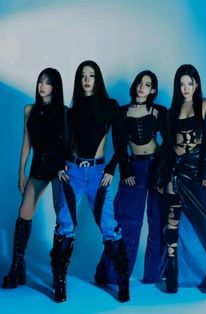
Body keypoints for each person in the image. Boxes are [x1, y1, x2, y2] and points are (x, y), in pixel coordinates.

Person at [52, 60, 130, 303]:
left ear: (98, 79)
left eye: (92, 75)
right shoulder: (72, 111)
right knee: (65, 223)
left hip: (98, 173)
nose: (87, 80)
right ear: (79, 80)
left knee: (108, 224)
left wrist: (111, 168)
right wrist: (60, 164)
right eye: (83, 76)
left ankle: (123, 281)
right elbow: (64, 142)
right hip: (74, 171)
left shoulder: (110, 106)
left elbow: (121, 141)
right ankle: (60, 282)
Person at [156, 64, 206, 294]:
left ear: (196, 84)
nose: (185, 88)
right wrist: (161, 175)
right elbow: (168, 147)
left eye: (190, 83)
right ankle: (173, 272)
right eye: (181, 84)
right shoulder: (173, 111)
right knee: (172, 218)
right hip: (175, 170)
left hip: (197, 171)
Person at [95, 70, 167, 285]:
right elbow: (119, 145)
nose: (142, 87)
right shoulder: (122, 111)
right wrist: (121, 170)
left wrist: (164, 172)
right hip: (133, 168)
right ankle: (114, 273)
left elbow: (170, 143)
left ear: (153, 90)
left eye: (147, 84)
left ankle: (154, 274)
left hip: (156, 167)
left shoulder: (159, 111)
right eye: (139, 83)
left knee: (158, 220)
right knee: (126, 220)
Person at [2, 68, 66, 290]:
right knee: (24, 212)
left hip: (59, 168)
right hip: (39, 166)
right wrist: (21, 171)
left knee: (62, 216)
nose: (42, 86)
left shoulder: (64, 112)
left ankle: (59, 271)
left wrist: (67, 168)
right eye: (40, 81)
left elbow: (68, 144)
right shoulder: (29, 110)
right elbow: (26, 143)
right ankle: (17, 266)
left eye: (47, 83)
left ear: (54, 87)